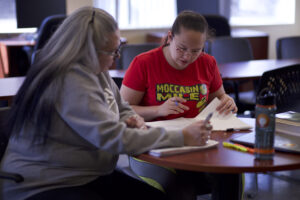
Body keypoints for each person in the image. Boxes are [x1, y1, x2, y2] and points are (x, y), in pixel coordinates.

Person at [0, 7, 212, 200]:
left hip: (86, 175)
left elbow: (121, 106)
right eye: (111, 52)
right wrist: (182, 136)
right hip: (45, 183)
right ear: (86, 49)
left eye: (116, 49)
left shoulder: (97, 71)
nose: (115, 58)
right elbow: (113, 138)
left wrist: (133, 118)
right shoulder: (68, 79)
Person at [120, 10, 242, 200]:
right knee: (181, 188)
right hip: (154, 147)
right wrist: (158, 110)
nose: (188, 57)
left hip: (197, 145)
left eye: (196, 50)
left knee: (231, 175)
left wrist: (227, 101)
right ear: (170, 37)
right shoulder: (143, 63)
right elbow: (122, 112)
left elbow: (219, 100)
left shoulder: (207, 63)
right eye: (182, 48)